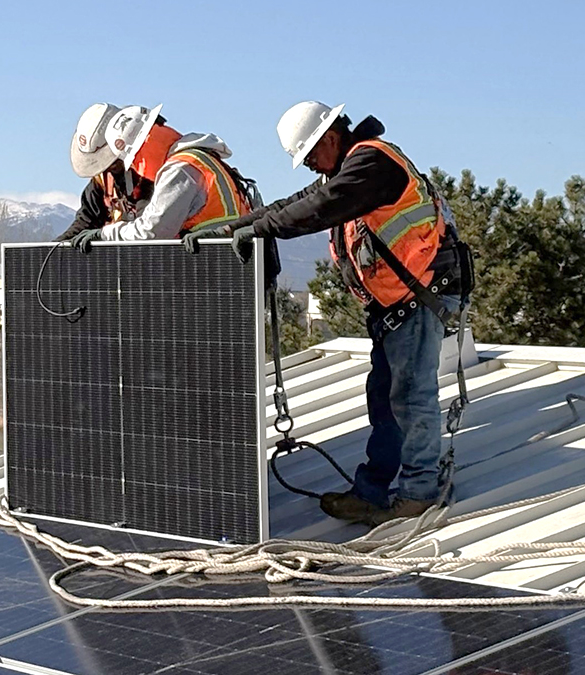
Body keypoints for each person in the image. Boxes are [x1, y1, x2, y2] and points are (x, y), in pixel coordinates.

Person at [186, 101, 468, 526]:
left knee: (411, 398)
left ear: (330, 138)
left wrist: (256, 229)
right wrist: (233, 227)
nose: (310, 167)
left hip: (420, 297)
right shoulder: (347, 168)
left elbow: (315, 209)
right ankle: (373, 492)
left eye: (311, 155)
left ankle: (419, 493)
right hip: (397, 305)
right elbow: (295, 202)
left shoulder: (371, 164)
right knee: (386, 399)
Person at [70, 104, 252, 250]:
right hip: (234, 258)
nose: (134, 167)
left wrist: (104, 235)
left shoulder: (179, 170)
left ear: (144, 146)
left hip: (223, 261)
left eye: (133, 160)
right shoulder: (196, 157)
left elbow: (151, 231)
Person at [55, 103, 153, 242]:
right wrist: (49, 250)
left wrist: (103, 235)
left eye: (111, 162)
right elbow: (86, 221)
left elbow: (150, 229)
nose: (106, 167)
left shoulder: (150, 174)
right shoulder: (102, 181)